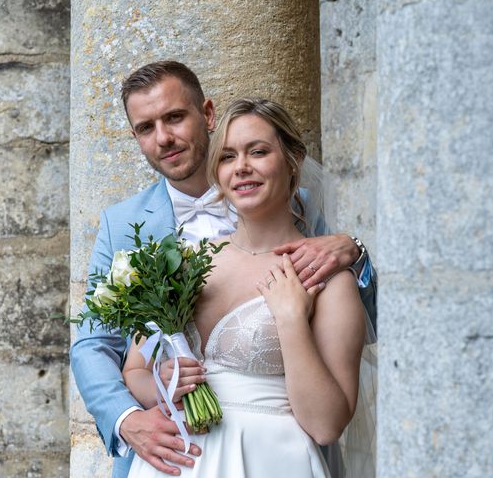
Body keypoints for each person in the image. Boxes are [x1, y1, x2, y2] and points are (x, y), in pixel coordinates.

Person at [70, 61, 376, 478]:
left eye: (175, 117)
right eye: (146, 127)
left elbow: (354, 328)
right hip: (172, 455)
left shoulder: (299, 211)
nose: (164, 138)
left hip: (273, 453)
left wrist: (355, 251)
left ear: (206, 115)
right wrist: (131, 416)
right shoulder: (129, 229)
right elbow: (95, 345)